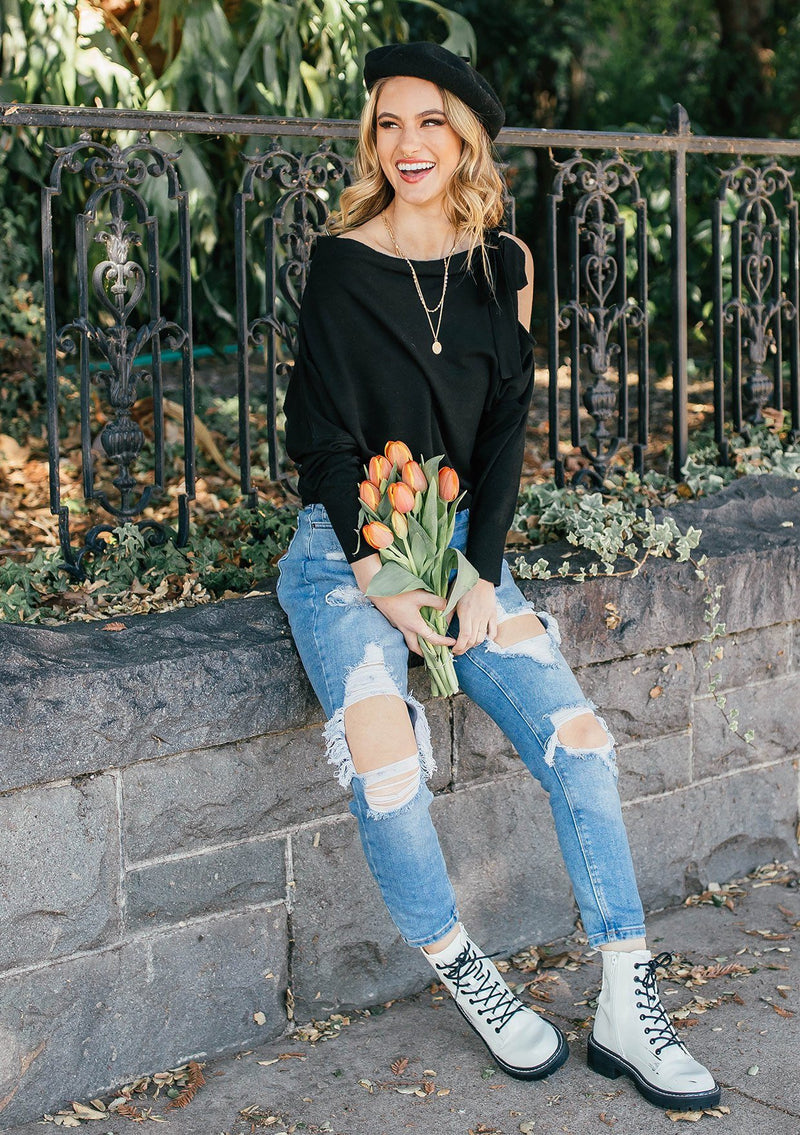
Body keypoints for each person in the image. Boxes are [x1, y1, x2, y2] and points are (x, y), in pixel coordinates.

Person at [276, 41, 720, 1111]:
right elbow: (323, 446)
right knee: (385, 758)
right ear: (370, 140)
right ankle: (466, 971)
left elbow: (509, 431)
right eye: (387, 123)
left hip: (463, 544)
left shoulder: (503, 266)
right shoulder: (340, 265)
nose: (406, 144)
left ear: (464, 135)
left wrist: (479, 575)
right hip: (347, 556)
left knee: (579, 744)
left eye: (429, 122)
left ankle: (624, 996)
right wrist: (386, 580)